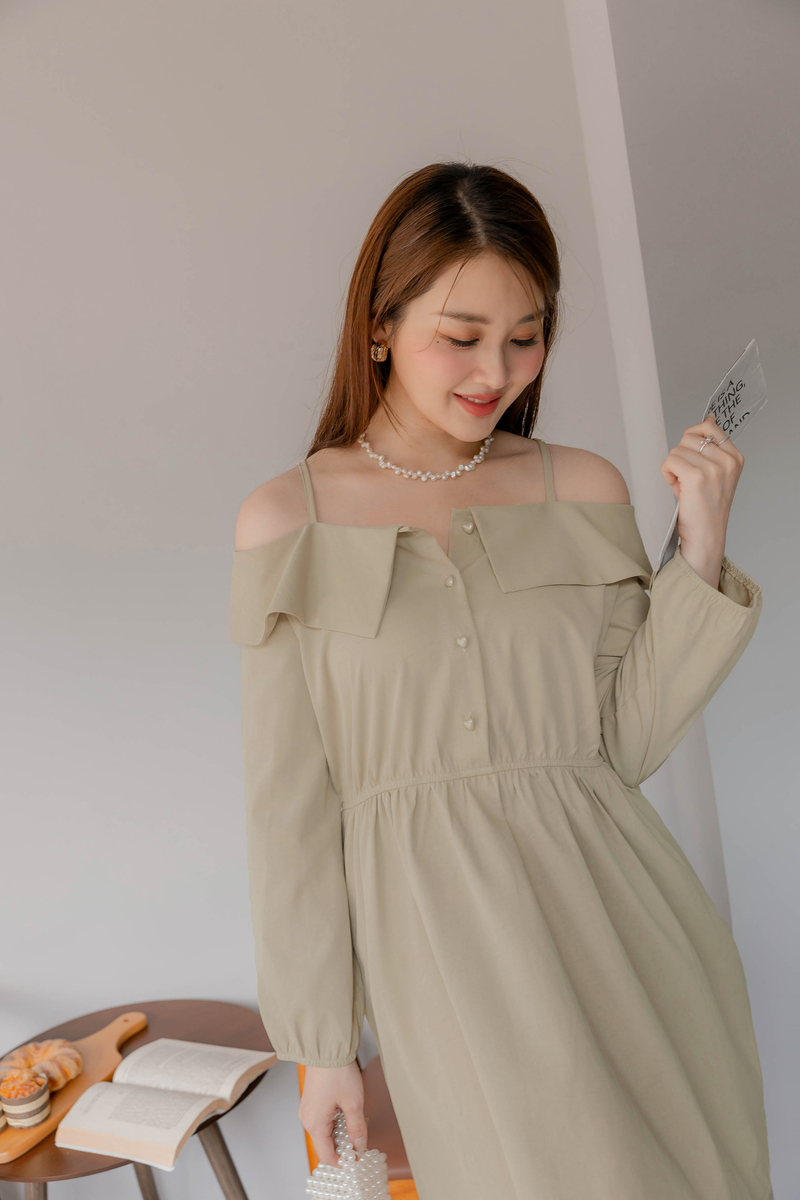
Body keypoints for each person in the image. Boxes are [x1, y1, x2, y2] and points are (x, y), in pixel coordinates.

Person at [229, 162, 772, 1199]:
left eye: (526, 336)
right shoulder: (286, 521)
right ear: (379, 328)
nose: (497, 372)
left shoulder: (581, 485)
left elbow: (621, 744)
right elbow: (288, 811)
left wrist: (698, 548)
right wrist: (322, 1047)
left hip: (631, 939)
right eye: (462, 335)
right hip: (447, 967)